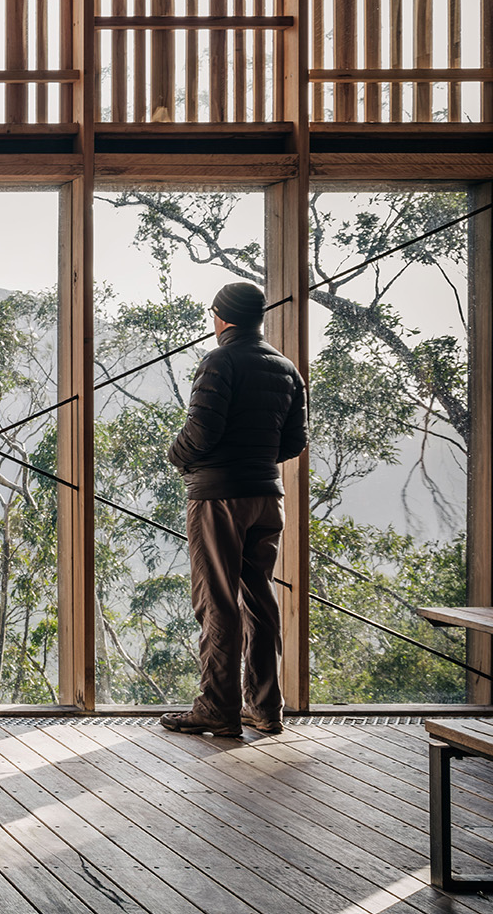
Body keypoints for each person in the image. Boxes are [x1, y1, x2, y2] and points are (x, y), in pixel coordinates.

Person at [160, 282, 307, 739]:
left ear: (222, 317)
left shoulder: (219, 361)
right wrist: (255, 459)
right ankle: (265, 709)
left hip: (220, 496)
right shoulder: (286, 369)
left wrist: (176, 455)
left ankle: (216, 709)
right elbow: (294, 441)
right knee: (259, 599)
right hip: (267, 495)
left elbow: (200, 431)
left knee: (216, 601)